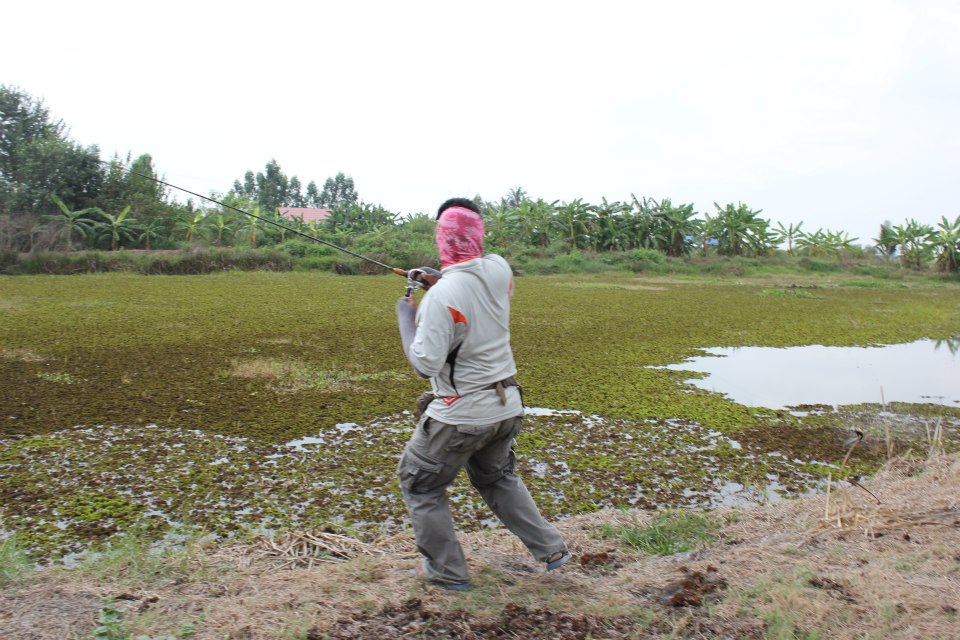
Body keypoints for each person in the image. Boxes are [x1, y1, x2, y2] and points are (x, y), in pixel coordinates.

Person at [395, 197, 570, 591]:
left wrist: (406, 317)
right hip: (507, 405)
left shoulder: (439, 299)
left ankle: (447, 574)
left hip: (461, 415)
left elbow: (425, 364)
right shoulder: (499, 269)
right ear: (479, 235)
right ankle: (552, 549)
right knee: (496, 476)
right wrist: (437, 278)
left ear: (440, 237)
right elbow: (466, 283)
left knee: (420, 483)